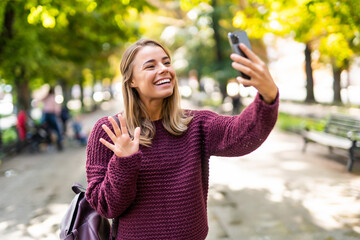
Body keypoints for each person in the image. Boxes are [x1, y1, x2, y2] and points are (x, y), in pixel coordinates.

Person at [85, 39, 279, 239]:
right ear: (131, 81)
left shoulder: (196, 124)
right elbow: (105, 207)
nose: (163, 69)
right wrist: (123, 162)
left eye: (166, 62)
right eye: (150, 66)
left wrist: (268, 96)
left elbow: (243, 134)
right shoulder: (109, 130)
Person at [41, 87, 63, 151]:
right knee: (57, 129)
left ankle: (50, 142)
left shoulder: (46, 98)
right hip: (51, 114)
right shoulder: (52, 97)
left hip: (46, 114)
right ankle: (58, 143)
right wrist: (58, 114)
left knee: (46, 128)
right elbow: (57, 107)